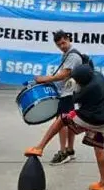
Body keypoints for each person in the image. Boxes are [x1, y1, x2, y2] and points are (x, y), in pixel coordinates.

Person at [26, 64, 104, 190]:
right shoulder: (98, 76)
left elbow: (74, 99)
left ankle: (40, 147)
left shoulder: (89, 89)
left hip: (90, 118)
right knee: (99, 148)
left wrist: (72, 87)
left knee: (62, 118)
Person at [34, 30, 83, 165]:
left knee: (61, 123)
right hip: (70, 93)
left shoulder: (73, 56)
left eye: (63, 42)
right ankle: (70, 150)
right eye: (59, 44)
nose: (62, 46)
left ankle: (63, 152)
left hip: (69, 94)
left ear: (68, 39)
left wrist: (45, 79)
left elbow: (64, 74)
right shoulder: (67, 55)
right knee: (69, 122)